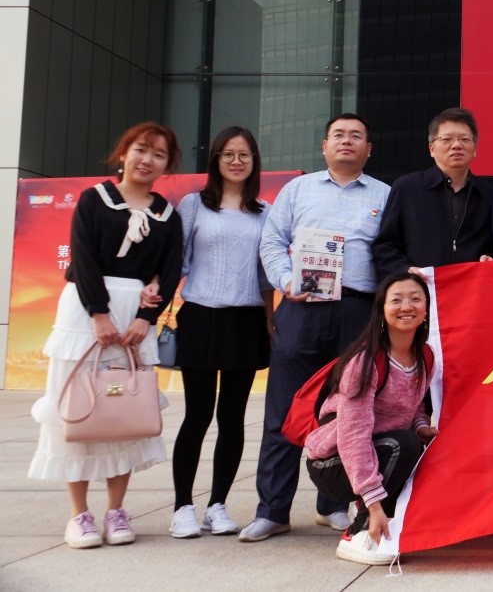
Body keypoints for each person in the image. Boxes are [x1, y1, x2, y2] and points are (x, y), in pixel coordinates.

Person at [28, 123, 184, 549]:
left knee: (123, 410)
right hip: (84, 310)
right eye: (141, 150)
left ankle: (116, 511)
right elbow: (83, 259)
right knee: (76, 406)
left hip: (136, 315)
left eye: (158, 154)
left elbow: (170, 270)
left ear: (167, 165)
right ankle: (79, 515)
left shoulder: (168, 215)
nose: (147, 160)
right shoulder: (94, 199)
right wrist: (98, 314)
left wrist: (146, 319)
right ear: (123, 152)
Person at [243, 114, 390, 542]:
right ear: (325, 146)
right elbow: (272, 241)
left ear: (368, 149)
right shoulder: (298, 189)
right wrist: (285, 281)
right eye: (338, 135)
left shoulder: (384, 194)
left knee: (349, 413)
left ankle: (333, 504)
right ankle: (273, 510)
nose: (347, 141)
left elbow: (392, 250)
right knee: (284, 410)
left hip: (359, 313)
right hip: (302, 309)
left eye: (357, 136)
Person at [169, 127, 274, 539]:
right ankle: (182, 507)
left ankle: (218, 506)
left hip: (245, 320)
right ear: (215, 159)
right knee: (197, 415)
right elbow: (176, 261)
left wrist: (269, 320)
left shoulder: (264, 212)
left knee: (233, 417)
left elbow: (265, 275)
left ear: (254, 162)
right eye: (228, 154)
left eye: (244, 155)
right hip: (200, 317)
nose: (236, 161)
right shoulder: (194, 205)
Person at [304, 272, 437, 566]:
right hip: (333, 461)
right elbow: (353, 436)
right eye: (397, 300)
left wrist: (421, 427)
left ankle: (375, 512)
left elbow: (413, 406)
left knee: (416, 444)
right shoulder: (364, 362)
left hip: (378, 451)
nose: (407, 306)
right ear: (381, 309)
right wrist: (374, 504)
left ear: (427, 308)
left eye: (416, 299)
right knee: (404, 444)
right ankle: (358, 531)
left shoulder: (425, 356)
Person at [372, 107, 493, 280]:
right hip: (420, 289)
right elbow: (385, 246)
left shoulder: (490, 195)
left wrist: (492, 259)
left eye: (465, 139)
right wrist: (405, 270)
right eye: (447, 139)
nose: (456, 145)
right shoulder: (407, 188)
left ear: (475, 148)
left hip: (472, 290)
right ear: (431, 148)